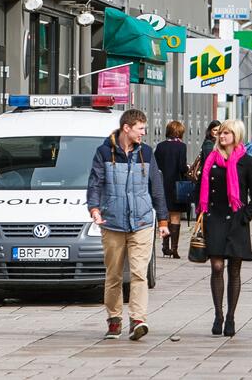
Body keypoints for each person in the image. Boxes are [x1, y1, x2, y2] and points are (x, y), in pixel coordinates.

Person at [87, 109, 169, 341]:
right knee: (113, 275)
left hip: (141, 221)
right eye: (140, 128)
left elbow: (157, 187)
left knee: (138, 273)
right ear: (127, 128)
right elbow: (95, 183)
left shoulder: (147, 153)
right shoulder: (103, 153)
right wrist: (94, 208)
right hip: (112, 223)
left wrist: (162, 220)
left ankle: (138, 319)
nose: (144, 132)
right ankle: (114, 320)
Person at [198, 119, 252, 338]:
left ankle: (231, 317)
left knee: (234, 270)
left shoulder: (246, 161)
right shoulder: (211, 159)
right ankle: (218, 315)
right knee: (216, 266)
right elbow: (201, 188)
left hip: (236, 221)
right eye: (221, 133)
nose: (222, 136)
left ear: (236, 136)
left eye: (227, 133)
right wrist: (203, 212)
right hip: (214, 218)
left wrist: (245, 216)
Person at [154, 121, 189, 259]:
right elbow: (181, 167)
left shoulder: (160, 146)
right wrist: (188, 168)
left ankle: (165, 246)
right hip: (176, 185)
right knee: (175, 217)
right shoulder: (181, 147)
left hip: (163, 185)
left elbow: (155, 166)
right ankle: (174, 249)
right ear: (180, 132)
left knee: (165, 216)